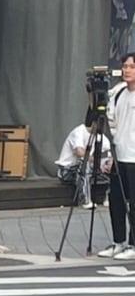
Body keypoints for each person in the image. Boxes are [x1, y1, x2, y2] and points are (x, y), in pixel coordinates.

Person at [104, 53, 135, 259]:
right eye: (125, 66)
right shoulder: (118, 93)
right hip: (120, 153)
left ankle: (133, 245)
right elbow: (111, 122)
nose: (127, 70)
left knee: (134, 202)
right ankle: (118, 241)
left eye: (131, 67)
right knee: (115, 199)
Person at [56, 108, 112, 210]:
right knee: (84, 163)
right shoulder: (79, 131)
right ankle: (84, 200)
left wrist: (108, 163)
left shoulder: (101, 136)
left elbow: (108, 153)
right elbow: (79, 152)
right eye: (101, 124)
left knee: (114, 168)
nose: (103, 127)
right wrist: (96, 161)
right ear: (94, 123)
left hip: (88, 171)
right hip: (67, 170)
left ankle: (108, 198)